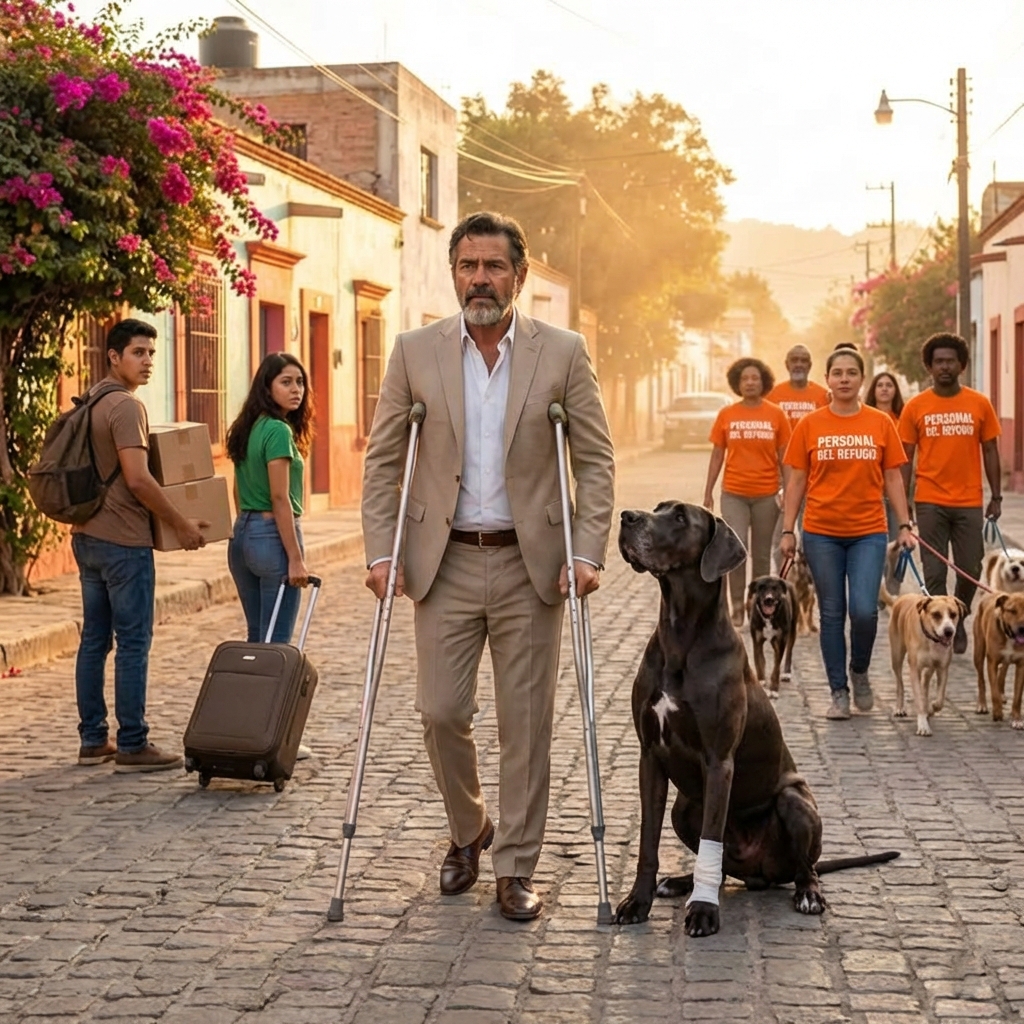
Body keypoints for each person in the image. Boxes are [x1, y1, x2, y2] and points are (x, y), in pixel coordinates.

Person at [361, 211, 615, 922]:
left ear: (519, 276)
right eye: (468, 266)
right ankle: (470, 827)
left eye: (494, 266)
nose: (480, 278)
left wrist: (586, 550)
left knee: (525, 724)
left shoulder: (562, 352)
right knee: (441, 712)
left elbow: (594, 460)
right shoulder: (415, 351)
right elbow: (384, 460)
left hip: (530, 565)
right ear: (454, 274)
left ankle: (515, 866)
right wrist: (381, 550)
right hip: (441, 562)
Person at [73, 319, 207, 771]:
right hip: (123, 541)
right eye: (138, 352)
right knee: (132, 642)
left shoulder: (92, 398)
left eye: (151, 352)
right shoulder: (126, 407)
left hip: (87, 535)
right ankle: (132, 743)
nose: (148, 361)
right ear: (114, 357)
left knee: (94, 640)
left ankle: (93, 739)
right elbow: (138, 479)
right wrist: (181, 524)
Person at [780, 347, 914, 720]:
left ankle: (859, 670)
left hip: (868, 532)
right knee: (832, 613)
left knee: (865, 610)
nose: (844, 379)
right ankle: (838, 692)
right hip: (821, 533)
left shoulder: (880, 423)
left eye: (851, 373)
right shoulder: (809, 425)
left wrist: (904, 524)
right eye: (837, 373)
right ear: (827, 379)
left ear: (861, 379)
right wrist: (788, 530)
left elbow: (893, 477)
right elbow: (797, 480)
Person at [898, 333, 1001, 650]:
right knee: (934, 572)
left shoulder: (979, 403)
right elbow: (906, 457)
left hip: (969, 501)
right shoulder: (916, 406)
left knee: (971, 567)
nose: (944, 367)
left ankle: (958, 620)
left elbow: (990, 450)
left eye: (950, 361)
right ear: (929, 367)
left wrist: (996, 497)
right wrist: (904, 503)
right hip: (929, 501)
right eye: (938, 361)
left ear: (962, 365)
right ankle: (935, 629)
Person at [226, 353, 313, 645]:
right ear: (267, 387)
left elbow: (237, 489)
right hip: (272, 538)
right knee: (276, 642)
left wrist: (246, 527)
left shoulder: (247, 426)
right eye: (286, 382)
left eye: (300, 382)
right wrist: (296, 560)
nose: (296, 390)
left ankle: (250, 680)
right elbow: (279, 497)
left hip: (242, 536)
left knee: (257, 637)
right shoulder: (278, 430)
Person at [703, 357, 790, 626]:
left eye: (755, 378)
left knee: (761, 555)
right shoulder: (727, 414)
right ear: (737, 383)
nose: (750, 383)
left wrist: (788, 491)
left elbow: (784, 457)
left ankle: (758, 605)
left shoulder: (777, 414)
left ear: (764, 382)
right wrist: (708, 491)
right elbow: (717, 455)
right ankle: (737, 606)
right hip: (734, 494)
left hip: (766, 494)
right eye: (744, 379)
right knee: (737, 548)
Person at [865, 372, 906, 548]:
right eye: (880, 385)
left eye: (889, 385)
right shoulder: (864, 419)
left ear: (895, 390)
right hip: (872, 493)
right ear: (873, 390)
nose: (884, 389)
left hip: (896, 488)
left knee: (896, 544)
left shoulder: (903, 419)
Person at [766, 344, 829, 428]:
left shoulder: (824, 396)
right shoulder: (771, 395)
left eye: (804, 361)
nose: (799, 365)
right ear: (787, 365)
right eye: (794, 360)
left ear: (809, 366)